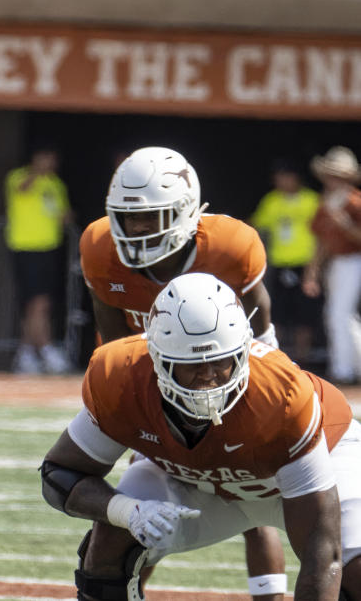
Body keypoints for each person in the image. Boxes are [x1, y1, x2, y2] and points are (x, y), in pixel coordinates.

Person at [41, 272, 361, 601]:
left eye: (222, 361)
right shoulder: (122, 378)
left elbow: (323, 555)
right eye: (190, 364)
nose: (209, 376)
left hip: (319, 460)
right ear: (158, 359)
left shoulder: (281, 397)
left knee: (354, 570)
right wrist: (126, 510)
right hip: (201, 483)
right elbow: (60, 474)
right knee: (111, 537)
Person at [78, 146, 288, 599]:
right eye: (127, 217)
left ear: (186, 212)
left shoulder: (232, 247)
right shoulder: (99, 247)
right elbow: (116, 346)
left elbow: (262, 332)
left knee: (254, 498)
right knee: (137, 521)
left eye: (150, 218)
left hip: (230, 379)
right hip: (156, 382)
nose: (134, 230)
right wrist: (139, 410)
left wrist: (253, 400)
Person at [4, 145, 74, 374]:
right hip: (25, 246)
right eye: (45, 158)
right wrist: (36, 172)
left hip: (49, 248)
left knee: (38, 304)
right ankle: (46, 349)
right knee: (38, 303)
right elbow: (22, 190)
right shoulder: (18, 177)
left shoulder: (56, 184)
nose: (49, 163)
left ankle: (26, 353)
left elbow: (63, 215)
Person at [249, 160, 322, 366]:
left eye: (287, 176)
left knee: (304, 314)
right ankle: (275, 361)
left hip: (306, 264)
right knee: (277, 312)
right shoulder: (271, 201)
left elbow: (322, 236)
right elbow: (254, 225)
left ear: (297, 178)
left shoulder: (312, 201)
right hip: (280, 264)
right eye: (278, 177)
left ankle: (303, 359)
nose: (282, 181)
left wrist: (315, 270)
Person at [303, 146, 361, 385]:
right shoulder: (325, 203)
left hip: (354, 261)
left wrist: (346, 225)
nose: (332, 179)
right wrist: (313, 272)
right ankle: (347, 367)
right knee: (339, 317)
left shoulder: (355, 202)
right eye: (330, 173)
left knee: (340, 315)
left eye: (337, 174)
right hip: (336, 263)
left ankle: (345, 370)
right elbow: (322, 242)